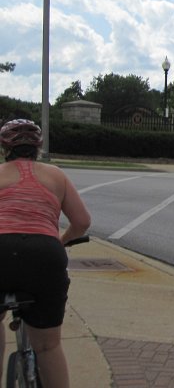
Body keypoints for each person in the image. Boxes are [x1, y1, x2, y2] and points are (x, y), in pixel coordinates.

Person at [0, 119, 91, 388]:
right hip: (45, 255)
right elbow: (82, 221)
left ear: (5, 148)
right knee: (49, 346)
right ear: (37, 148)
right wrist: (61, 240)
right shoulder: (56, 175)